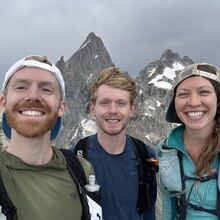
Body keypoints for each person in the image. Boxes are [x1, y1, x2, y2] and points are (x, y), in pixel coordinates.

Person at [0, 55, 96, 220]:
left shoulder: (81, 170)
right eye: (21, 87)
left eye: (46, 89)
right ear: (3, 103)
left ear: (61, 107)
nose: (33, 96)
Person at [71, 67, 157, 220]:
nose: (113, 110)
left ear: (132, 109)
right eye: (105, 103)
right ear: (92, 108)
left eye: (121, 103)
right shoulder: (74, 158)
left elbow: (148, 210)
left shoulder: (145, 155)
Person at [157, 63, 220, 219]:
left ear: (218, 100)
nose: (193, 102)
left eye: (204, 92)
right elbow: (168, 211)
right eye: (183, 94)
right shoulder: (166, 150)